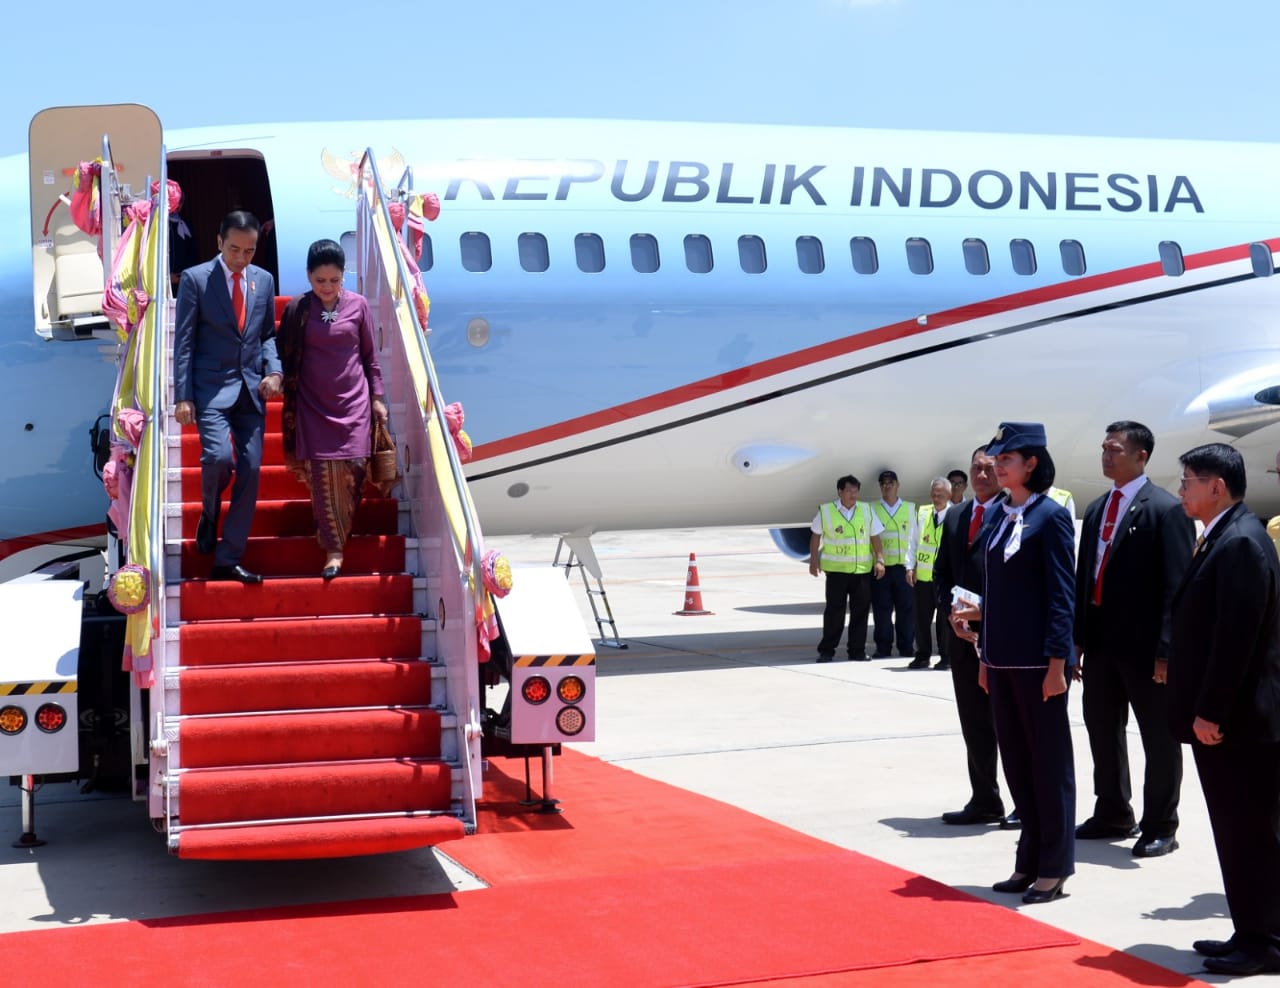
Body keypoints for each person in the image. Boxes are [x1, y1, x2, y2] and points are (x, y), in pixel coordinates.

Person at [1168, 443, 1280, 977]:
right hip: (1230, 722)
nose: (1182, 488)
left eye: (1189, 480)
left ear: (1217, 486)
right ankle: (1250, 929)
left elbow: (1236, 642)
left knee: (1250, 832)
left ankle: (1264, 942)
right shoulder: (1224, 536)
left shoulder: (1238, 543)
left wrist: (1211, 712)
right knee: (1237, 832)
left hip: (1239, 725)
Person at [952, 422, 1076, 905]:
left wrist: (1057, 663)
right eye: (997, 458)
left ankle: (1055, 864)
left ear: (1032, 464)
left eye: (1008, 458)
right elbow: (1001, 591)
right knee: (1019, 767)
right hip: (1001, 660)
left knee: (1048, 766)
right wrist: (982, 642)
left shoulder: (1050, 516)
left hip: (1036, 665)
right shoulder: (1002, 516)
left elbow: (1061, 596)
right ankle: (1028, 860)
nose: (998, 465)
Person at [1074, 421, 1193, 858]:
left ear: (1141, 456)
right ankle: (1112, 811)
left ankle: (1160, 822)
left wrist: (1167, 651)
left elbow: (1176, 587)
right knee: (1102, 729)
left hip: (1145, 650)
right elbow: (1085, 577)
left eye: (1115, 449)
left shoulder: (1165, 509)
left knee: (1158, 737)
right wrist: (1077, 639)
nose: (1107, 456)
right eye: (1104, 448)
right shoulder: (1098, 507)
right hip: (1102, 645)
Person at [174, 210, 281, 583]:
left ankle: (228, 557)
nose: (240, 258)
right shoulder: (196, 279)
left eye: (248, 252)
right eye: (234, 249)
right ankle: (208, 511)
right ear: (219, 242)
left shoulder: (263, 282)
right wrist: (183, 395)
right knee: (218, 458)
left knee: (251, 470)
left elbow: (267, 334)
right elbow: (184, 341)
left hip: (251, 389)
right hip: (210, 389)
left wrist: (274, 371)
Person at [277, 239, 388, 579]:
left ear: (344, 277)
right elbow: (283, 355)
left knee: (353, 471)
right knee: (323, 479)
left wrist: (377, 398)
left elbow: (369, 357)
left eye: (334, 281)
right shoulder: (298, 310)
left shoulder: (358, 306)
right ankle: (334, 550)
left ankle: (340, 533)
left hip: (353, 403)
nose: (326, 287)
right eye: (319, 280)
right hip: (313, 406)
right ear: (309, 277)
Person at [934, 447, 1015, 829]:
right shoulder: (955, 516)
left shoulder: (1014, 513)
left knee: (1011, 723)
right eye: (976, 468)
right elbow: (942, 573)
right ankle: (984, 798)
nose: (982, 474)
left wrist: (988, 615)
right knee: (974, 723)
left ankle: (1024, 802)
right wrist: (951, 615)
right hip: (962, 638)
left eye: (989, 468)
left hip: (1002, 636)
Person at [809, 475, 886, 662]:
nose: (853, 494)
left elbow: (875, 536)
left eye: (855, 491)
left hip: (861, 571)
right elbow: (815, 536)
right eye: (849, 491)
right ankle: (827, 651)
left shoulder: (866, 510)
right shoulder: (827, 511)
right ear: (840, 492)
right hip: (837, 572)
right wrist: (813, 560)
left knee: (860, 613)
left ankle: (857, 651)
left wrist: (880, 559)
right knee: (834, 612)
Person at [906, 478, 951, 670]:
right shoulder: (923, 513)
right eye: (933, 493)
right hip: (923, 578)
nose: (936, 497)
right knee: (921, 620)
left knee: (944, 621)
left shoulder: (955, 514)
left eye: (940, 493)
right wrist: (909, 566)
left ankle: (946, 657)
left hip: (944, 579)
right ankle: (922, 655)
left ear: (948, 495)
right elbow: (912, 540)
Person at [870, 470, 915, 658]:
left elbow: (915, 539)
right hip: (882, 568)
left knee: (906, 611)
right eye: (883, 483)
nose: (886, 486)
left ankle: (906, 647)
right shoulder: (872, 508)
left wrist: (914, 565)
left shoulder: (910, 508)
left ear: (898, 485)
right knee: (882, 611)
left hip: (903, 568)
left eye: (890, 482)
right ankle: (883, 647)